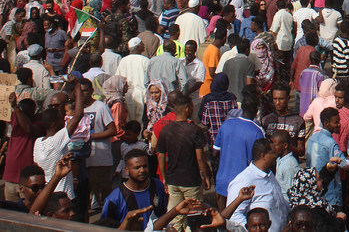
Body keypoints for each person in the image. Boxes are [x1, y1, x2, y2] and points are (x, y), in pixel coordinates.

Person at [155, 94, 211, 230]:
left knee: (175, 216)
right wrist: (206, 175)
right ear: (187, 109)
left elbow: (160, 156)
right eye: (191, 107)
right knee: (194, 216)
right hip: (191, 181)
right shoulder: (194, 130)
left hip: (173, 180)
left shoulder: (166, 130)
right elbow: (199, 158)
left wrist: (164, 178)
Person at [226, 138, 290, 232]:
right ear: (263, 156)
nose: (276, 156)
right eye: (273, 153)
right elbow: (234, 216)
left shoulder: (270, 175)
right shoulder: (244, 181)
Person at [215, 94, 266, 202]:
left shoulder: (226, 124)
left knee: (222, 215)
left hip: (223, 180)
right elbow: (261, 160)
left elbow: (215, 151)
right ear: (256, 110)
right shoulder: (257, 131)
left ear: (241, 107)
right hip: (243, 185)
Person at [100, 148, 167, 230]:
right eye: (137, 167)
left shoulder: (157, 185)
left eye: (144, 166)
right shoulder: (114, 199)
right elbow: (104, 227)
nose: (142, 170)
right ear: (126, 170)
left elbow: (163, 213)